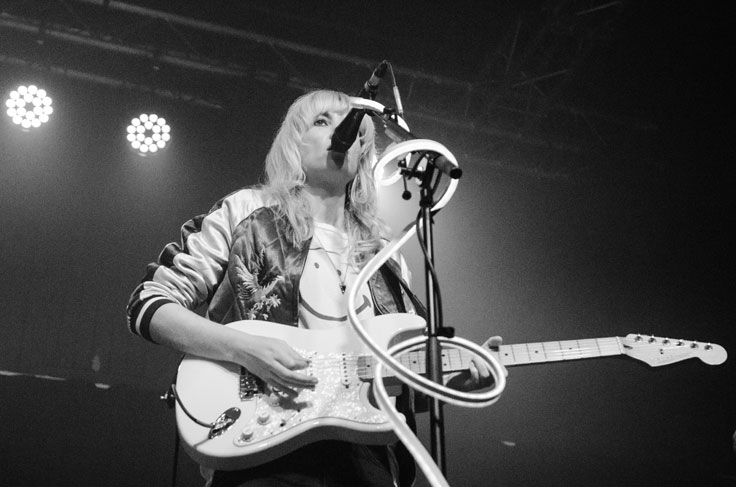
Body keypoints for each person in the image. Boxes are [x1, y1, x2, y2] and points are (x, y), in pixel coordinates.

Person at [126, 89, 491, 487]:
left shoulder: (385, 256)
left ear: (363, 155)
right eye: (322, 121)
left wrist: (449, 382)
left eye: (355, 132)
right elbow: (149, 305)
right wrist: (243, 348)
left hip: (366, 462)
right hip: (261, 448)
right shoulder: (247, 212)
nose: (342, 133)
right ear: (293, 144)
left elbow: (385, 381)